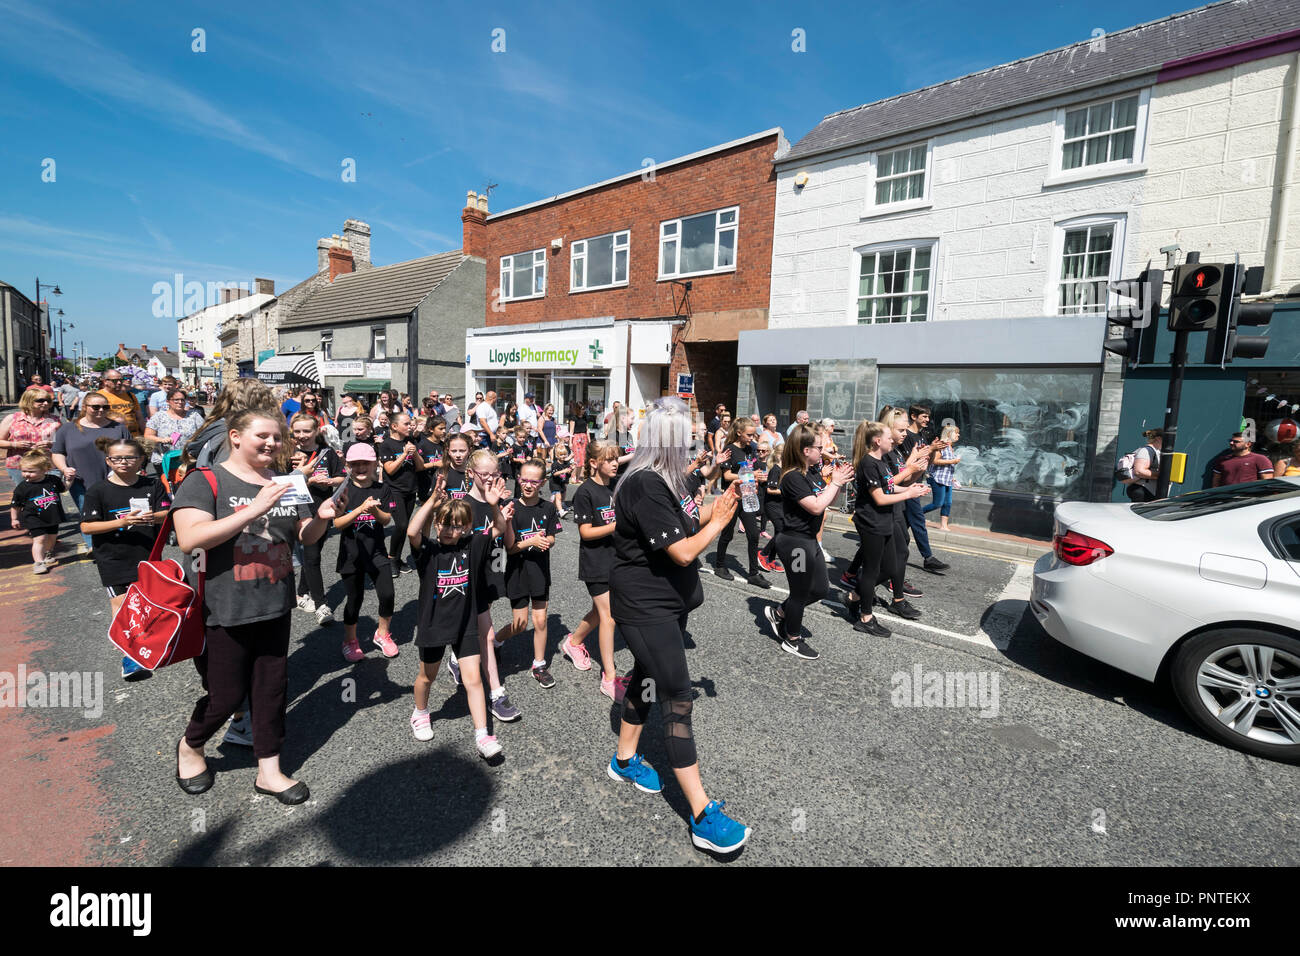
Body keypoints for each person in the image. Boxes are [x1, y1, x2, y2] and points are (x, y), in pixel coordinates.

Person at [171, 409, 337, 805]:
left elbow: (305, 536)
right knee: (225, 696)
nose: (273, 443)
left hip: (275, 604)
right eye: (263, 435)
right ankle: (191, 746)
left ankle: (269, 770)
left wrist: (324, 519)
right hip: (223, 607)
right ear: (235, 437)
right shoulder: (205, 480)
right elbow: (190, 538)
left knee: (271, 690)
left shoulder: (286, 482)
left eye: (278, 438)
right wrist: (254, 508)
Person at [607, 397, 750, 854]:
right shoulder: (645, 484)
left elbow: (690, 521)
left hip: (667, 602)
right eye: (686, 435)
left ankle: (625, 758)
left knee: (647, 678)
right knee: (677, 697)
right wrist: (722, 522)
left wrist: (719, 505)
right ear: (668, 440)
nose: (692, 441)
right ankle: (702, 813)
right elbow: (685, 551)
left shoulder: (670, 479)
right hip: (644, 605)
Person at [407, 490, 510, 760]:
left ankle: (483, 735)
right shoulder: (429, 551)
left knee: (474, 680)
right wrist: (430, 503)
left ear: (466, 527)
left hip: (466, 624)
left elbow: (499, 527)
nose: (450, 530)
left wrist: (493, 504)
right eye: (445, 524)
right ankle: (420, 712)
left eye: (457, 525)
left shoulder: (473, 546)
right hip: (434, 625)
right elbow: (412, 533)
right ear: (437, 522)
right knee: (426, 677)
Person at [80, 436, 171, 680]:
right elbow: (87, 527)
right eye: (117, 458)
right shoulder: (98, 490)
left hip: (148, 555)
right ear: (108, 460)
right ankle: (130, 657)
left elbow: (169, 513)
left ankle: (144, 645)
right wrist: (122, 522)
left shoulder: (151, 485)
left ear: (141, 459)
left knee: (145, 604)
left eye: (130, 457)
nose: (123, 462)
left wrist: (153, 517)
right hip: (113, 557)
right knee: (122, 606)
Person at [764, 423, 854, 660]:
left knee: (820, 589)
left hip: (809, 540)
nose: (822, 451)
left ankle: (780, 612)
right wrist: (834, 483)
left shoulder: (812, 471)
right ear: (805, 450)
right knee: (800, 592)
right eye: (818, 447)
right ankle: (792, 639)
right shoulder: (792, 476)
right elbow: (815, 507)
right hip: (794, 543)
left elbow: (825, 501)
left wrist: (838, 481)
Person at [845, 421, 929, 635]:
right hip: (871, 522)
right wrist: (908, 494)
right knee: (872, 570)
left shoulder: (881, 461)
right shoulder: (868, 463)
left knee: (891, 568)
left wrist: (912, 488)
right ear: (877, 441)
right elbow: (880, 498)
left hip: (885, 521)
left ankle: (855, 596)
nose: (892, 439)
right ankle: (865, 618)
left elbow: (889, 486)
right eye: (888, 437)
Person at [458, 448, 521, 723]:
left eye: (496, 474)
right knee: (484, 633)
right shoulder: (462, 506)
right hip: (464, 577)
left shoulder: (497, 500)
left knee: (483, 631)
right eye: (485, 474)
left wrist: (504, 515)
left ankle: (491, 688)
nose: (491, 479)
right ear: (471, 473)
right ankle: (496, 693)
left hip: (492, 571)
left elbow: (508, 543)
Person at [563, 442, 626, 699]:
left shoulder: (616, 484)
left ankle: (574, 641)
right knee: (609, 616)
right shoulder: (585, 493)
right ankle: (609, 678)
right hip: (596, 562)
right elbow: (586, 533)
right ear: (593, 463)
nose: (615, 464)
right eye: (609, 460)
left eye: (616, 459)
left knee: (601, 613)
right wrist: (616, 526)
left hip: (618, 559)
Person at [497, 459, 563, 688]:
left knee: (541, 620)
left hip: (540, 572)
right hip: (516, 572)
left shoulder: (548, 507)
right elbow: (510, 547)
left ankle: (539, 664)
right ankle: (495, 641)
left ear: (542, 482)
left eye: (534, 481)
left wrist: (547, 541)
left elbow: (553, 536)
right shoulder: (510, 507)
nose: (528, 485)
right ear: (518, 479)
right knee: (520, 624)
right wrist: (531, 541)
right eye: (524, 479)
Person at [333, 443, 397, 662]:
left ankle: (382, 634)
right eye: (355, 464)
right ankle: (350, 641)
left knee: (388, 594)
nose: (360, 467)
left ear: (374, 464)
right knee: (354, 599)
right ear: (348, 465)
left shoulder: (382, 489)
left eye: (365, 463)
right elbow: (338, 523)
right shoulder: (344, 489)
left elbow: (387, 519)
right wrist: (359, 510)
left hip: (377, 552)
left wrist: (374, 510)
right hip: (351, 554)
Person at [52, 392, 132, 551]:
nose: (101, 410)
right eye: (96, 407)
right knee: (87, 513)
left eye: (105, 407)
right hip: (81, 480)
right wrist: (64, 468)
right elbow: (58, 452)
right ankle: (92, 546)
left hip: (114, 478)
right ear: (84, 407)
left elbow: (131, 451)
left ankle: (116, 542)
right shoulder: (68, 428)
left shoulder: (118, 428)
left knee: (113, 512)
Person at [289, 412, 345, 622]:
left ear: (316, 431)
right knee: (312, 557)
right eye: (297, 431)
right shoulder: (289, 453)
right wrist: (307, 480)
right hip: (299, 510)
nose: (302, 435)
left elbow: (341, 476)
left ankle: (301, 592)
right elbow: (282, 482)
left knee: (313, 553)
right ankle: (321, 604)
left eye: (307, 431)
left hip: (323, 508)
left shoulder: (327, 452)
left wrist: (330, 482)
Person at [712, 416, 769, 587]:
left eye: (753, 435)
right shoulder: (729, 449)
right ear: (739, 433)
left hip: (748, 495)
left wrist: (760, 476)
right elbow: (727, 475)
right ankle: (720, 565)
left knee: (753, 535)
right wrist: (750, 476)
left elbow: (754, 468)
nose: (752, 438)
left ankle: (753, 573)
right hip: (732, 496)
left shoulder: (751, 449)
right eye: (749, 435)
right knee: (727, 534)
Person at [901, 406, 950, 575]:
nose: (927, 420)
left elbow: (925, 463)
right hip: (905, 486)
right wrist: (930, 450)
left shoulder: (922, 436)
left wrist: (933, 451)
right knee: (918, 520)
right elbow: (907, 464)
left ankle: (894, 552)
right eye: (924, 416)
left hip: (916, 483)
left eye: (928, 417)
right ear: (913, 416)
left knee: (904, 525)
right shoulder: (905, 436)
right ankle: (928, 558)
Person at [377, 412, 425, 576]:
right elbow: (389, 469)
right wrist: (404, 454)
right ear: (394, 426)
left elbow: (420, 467)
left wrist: (415, 453)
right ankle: (391, 558)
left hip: (411, 490)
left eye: (410, 423)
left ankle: (396, 559)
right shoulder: (386, 445)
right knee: (402, 524)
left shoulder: (410, 441)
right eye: (406, 423)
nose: (410, 426)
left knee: (403, 528)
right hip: (394, 490)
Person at [9, 450, 65, 574]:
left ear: (45, 469)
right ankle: (38, 563)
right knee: (39, 539)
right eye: (24, 471)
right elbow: (15, 505)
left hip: (52, 515)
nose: (26, 474)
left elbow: (64, 489)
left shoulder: (53, 480)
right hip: (33, 517)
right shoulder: (22, 487)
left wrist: (70, 479)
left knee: (51, 538)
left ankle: (48, 552)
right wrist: (14, 518)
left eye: (31, 471)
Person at [1, 387, 62, 486]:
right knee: (26, 496)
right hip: (20, 466)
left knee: (49, 497)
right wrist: (15, 444)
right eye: (40, 400)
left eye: (48, 400)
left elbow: (64, 443)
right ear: (28, 400)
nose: (46, 403)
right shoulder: (13, 419)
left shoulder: (54, 420)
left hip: (48, 466)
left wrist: (51, 444)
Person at [144, 387, 204, 478]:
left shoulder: (194, 416)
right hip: (164, 459)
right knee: (167, 487)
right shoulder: (159, 416)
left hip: (188, 459)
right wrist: (161, 439)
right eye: (176, 400)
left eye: (182, 400)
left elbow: (204, 434)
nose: (180, 402)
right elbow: (148, 435)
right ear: (168, 401)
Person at [925, 425, 963, 526]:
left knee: (948, 503)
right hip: (938, 479)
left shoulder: (951, 447)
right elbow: (934, 461)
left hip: (947, 479)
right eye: (956, 432)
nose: (958, 434)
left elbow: (947, 466)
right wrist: (952, 461)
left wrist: (953, 477)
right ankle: (916, 514)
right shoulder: (942, 445)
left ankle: (944, 525)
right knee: (937, 504)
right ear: (949, 434)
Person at [94, 371, 145, 437]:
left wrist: (144, 434)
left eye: (121, 380)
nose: (119, 383)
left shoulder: (130, 395)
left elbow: (139, 417)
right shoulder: (97, 397)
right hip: (111, 437)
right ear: (105, 382)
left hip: (134, 437)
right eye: (115, 381)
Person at [1123, 429, 1162, 503]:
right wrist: (1161, 475)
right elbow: (1139, 471)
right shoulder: (1147, 451)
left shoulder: (1154, 451)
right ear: (1159, 439)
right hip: (1143, 491)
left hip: (1146, 490)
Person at [549, 442, 573, 516]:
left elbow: (568, 472)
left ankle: (552, 506)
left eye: (565, 454)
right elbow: (554, 474)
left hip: (562, 482)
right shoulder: (555, 464)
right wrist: (564, 471)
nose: (563, 456)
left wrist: (571, 469)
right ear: (557, 455)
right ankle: (560, 511)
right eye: (561, 455)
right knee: (558, 497)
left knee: (562, 496)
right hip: (555, 483)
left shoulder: (566, 463)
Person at [568, 400, 589, 473]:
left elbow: (587, 430)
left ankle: (578, 476)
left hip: (584, 438)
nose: (583, 410)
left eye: (584, 409)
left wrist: (589, 440)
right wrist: (570, 442)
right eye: (582, 409)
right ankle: (573, 476)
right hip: (576, 438)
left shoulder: (585, 417)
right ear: (578, 409)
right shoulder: (574, 418)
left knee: (583, 458)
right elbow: (571, 430)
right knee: (577, 458)